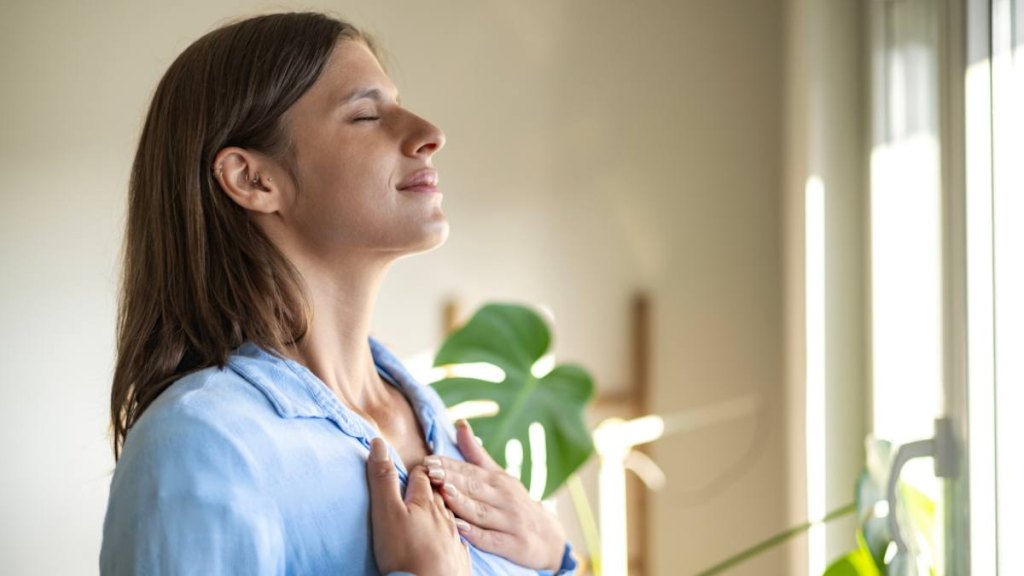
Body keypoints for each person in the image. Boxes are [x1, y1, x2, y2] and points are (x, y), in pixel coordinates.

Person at [100, 12, 577, 576]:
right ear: (254, 180)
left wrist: (553, 557)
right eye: (366, 115)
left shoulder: (438, 425)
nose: (430, 133)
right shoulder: (199, 446)